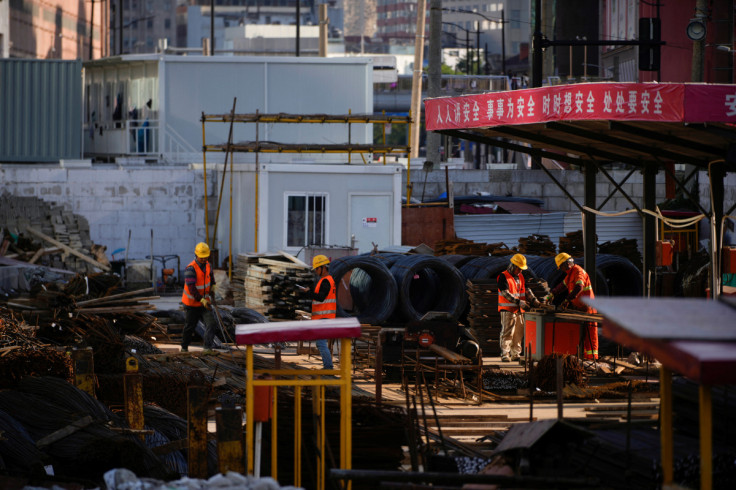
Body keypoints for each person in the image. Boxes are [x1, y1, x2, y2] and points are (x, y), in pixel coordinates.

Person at [548, 253, 598, 362]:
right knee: (579, 334)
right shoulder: (570, 274)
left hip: (588, 308)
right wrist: (552, 293)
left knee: (590, 335)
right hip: (579, 308)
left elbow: (579, 287)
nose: (561, 269)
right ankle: (581, 358)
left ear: (566, 264)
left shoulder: (579, 272)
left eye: (561, 267)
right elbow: (563, 285)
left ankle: (591, 360)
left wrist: (567, 300)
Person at [497, 253, 540, 362]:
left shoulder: (520, 276)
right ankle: (505, 354)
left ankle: (515, 353)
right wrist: (519, 302)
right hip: (508, 310)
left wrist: (534, 300)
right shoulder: (503, 276)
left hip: (519, 310)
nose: (520, 271)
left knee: (518, 333)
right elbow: (506, 294)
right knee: (507, 332)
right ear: (513, 266)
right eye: (519, 269)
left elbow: (525, 290)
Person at [299, 254, 335, 370]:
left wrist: (309, 292)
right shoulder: (326, 281)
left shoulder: (326, 281)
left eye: (317, 269)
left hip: (324, 318)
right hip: (325, 317)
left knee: (321, 343)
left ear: (323, 268)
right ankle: (328, 366)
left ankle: (328, 367)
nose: (315, 271)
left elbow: (320, 297)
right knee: (321, 343)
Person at [180, 242, 217, 353]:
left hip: (204, 303)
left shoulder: (208, 265)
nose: (204, 259)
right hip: (191, 304)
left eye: (206, 257)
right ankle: (184, 348)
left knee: (211, 324)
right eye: (202, 257)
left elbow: (211, 278)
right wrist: (202, 300)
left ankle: (207, 348)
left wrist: (213, 288)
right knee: (190, 327)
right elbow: (192, 289)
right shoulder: (190, 269)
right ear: (196, 255)